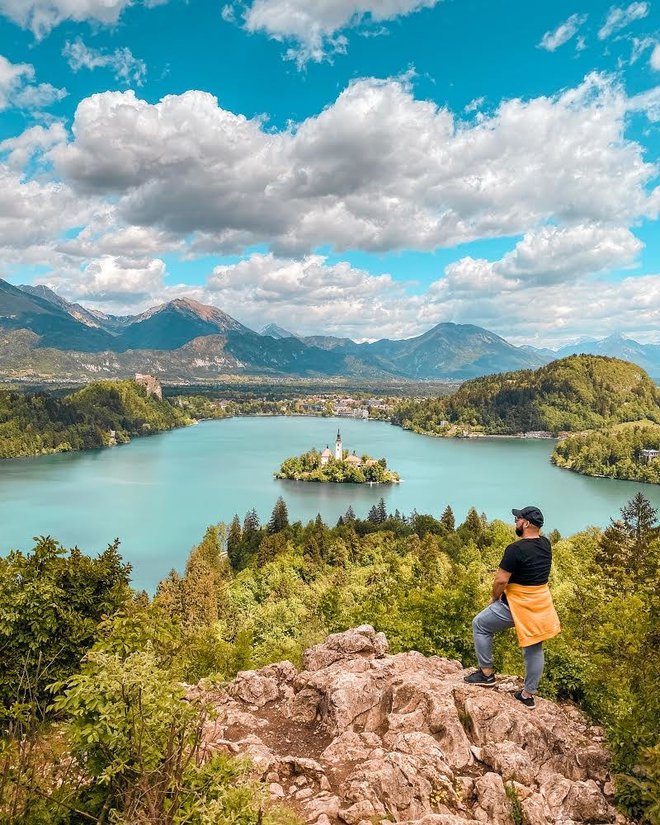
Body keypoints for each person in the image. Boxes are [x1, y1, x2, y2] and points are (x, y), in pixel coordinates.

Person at [463, 505, 560, 708]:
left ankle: (486, 674)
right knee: (534, 647)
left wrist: (494, 598)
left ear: (525, 523)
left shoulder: (515, 550)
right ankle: (527, 695)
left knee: (480, 624)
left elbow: (500, 580)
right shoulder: (546, 544)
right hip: (540, 604)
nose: (515, 522)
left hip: (516, 604)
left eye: (517, 519)